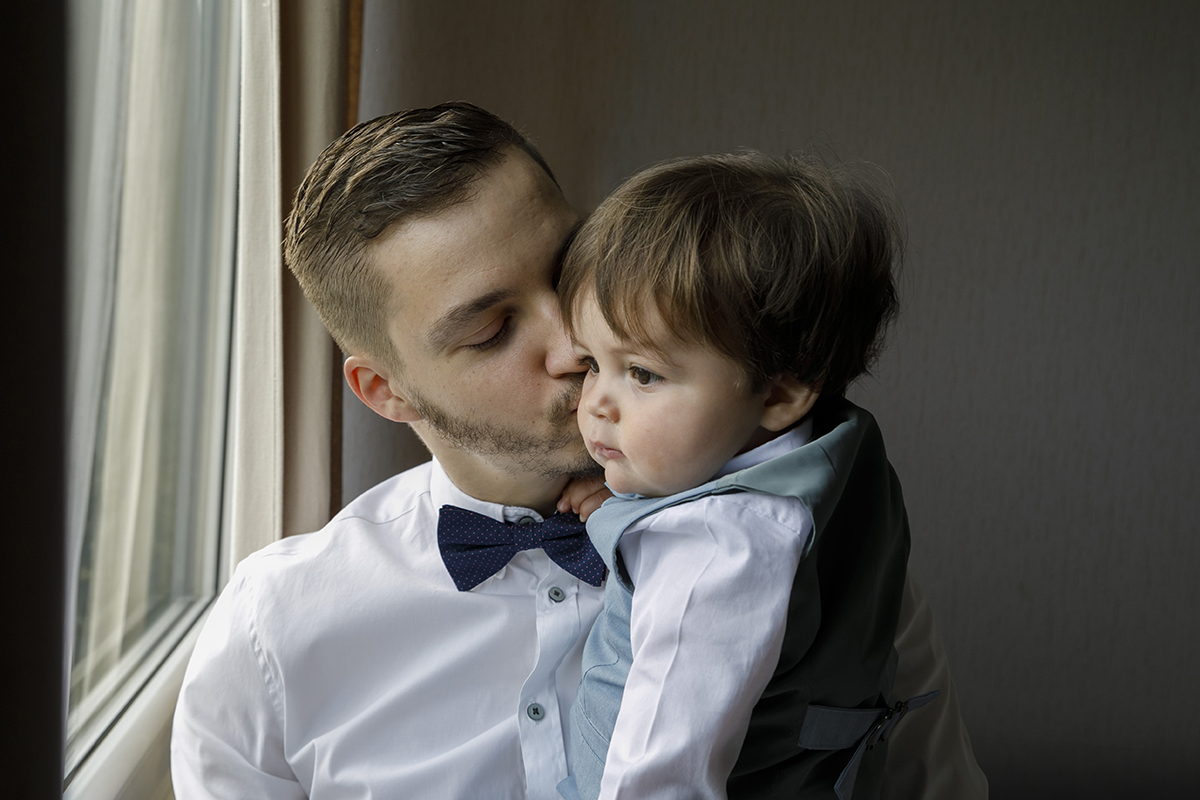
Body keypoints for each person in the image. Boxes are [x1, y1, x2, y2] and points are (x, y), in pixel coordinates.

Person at [170, 103, 986, 799]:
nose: (575, 342)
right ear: (387, 391)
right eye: (493, 330)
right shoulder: (269, 635)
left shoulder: (809, 543)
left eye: (568, 272)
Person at [555, 151, 937, 800]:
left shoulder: (714, 552)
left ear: (780, 394)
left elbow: (659, 775)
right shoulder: (836, 449)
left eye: (641, 373)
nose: (593, 401)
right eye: (591, 361)